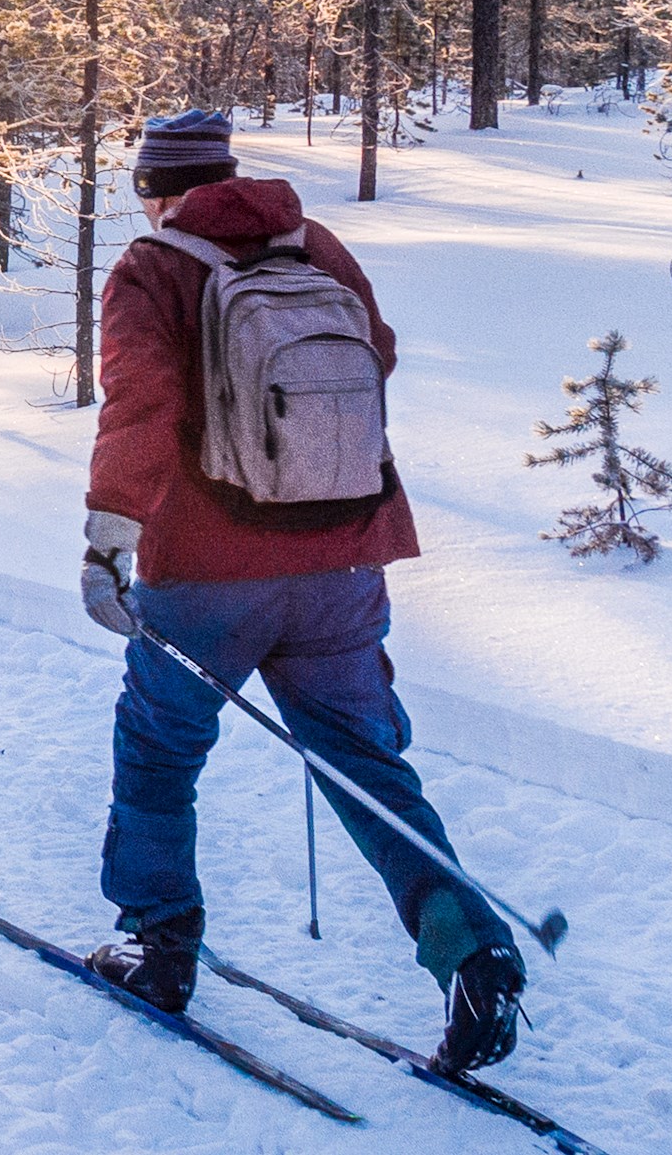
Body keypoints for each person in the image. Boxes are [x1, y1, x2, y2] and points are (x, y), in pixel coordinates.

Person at [74, 107, 528, 1074]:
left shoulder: (154, 267)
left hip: (205, 572)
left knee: (158, 753)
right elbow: (379, 355)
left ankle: (159, 949)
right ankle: (472, 950)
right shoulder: (316, 246)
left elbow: (141, 403)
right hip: (341, 559)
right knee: (367, 764)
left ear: (156, 189)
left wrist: (111, 533)